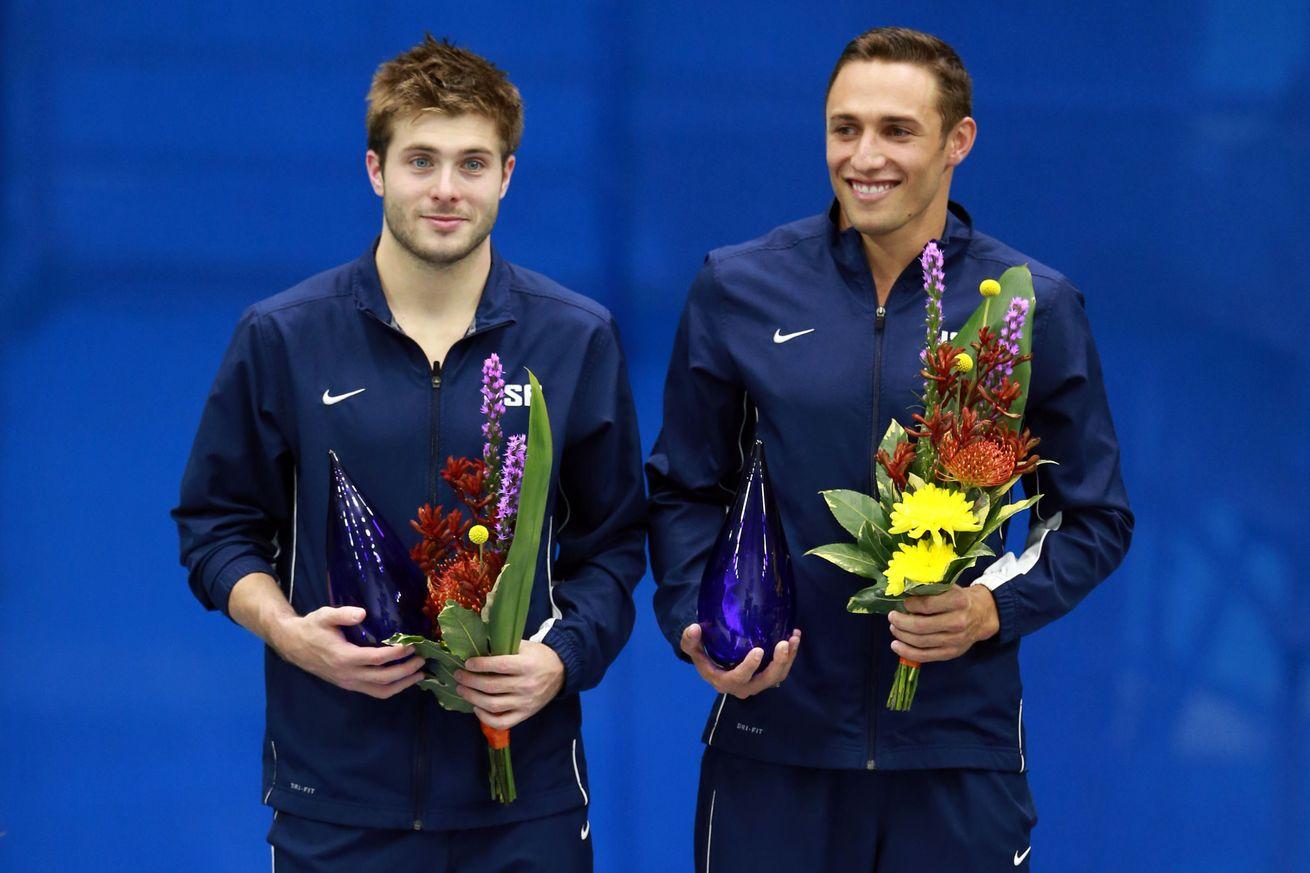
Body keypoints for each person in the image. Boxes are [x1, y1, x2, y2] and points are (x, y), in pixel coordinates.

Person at [647, 26, 1132, 872]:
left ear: (958, 142)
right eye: (845, 128)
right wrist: (699, 623)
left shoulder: (1031, 309)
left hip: (955, 755)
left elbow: (1093, 516)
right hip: (774, 745)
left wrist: (992, 610)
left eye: (896, 132)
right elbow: (685, 488)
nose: (863, 156)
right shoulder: (737, 285)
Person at [172, 35, 645, 872]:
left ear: (507, 175)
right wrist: (287, 632)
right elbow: (215, 527)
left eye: (472, 163)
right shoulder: (284, 335)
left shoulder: (575, 338)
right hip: (337, 798)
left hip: (521, 801)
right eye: (421, 159)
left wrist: (558, 659)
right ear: (375, 169)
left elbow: (612, 546)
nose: (445, 189)